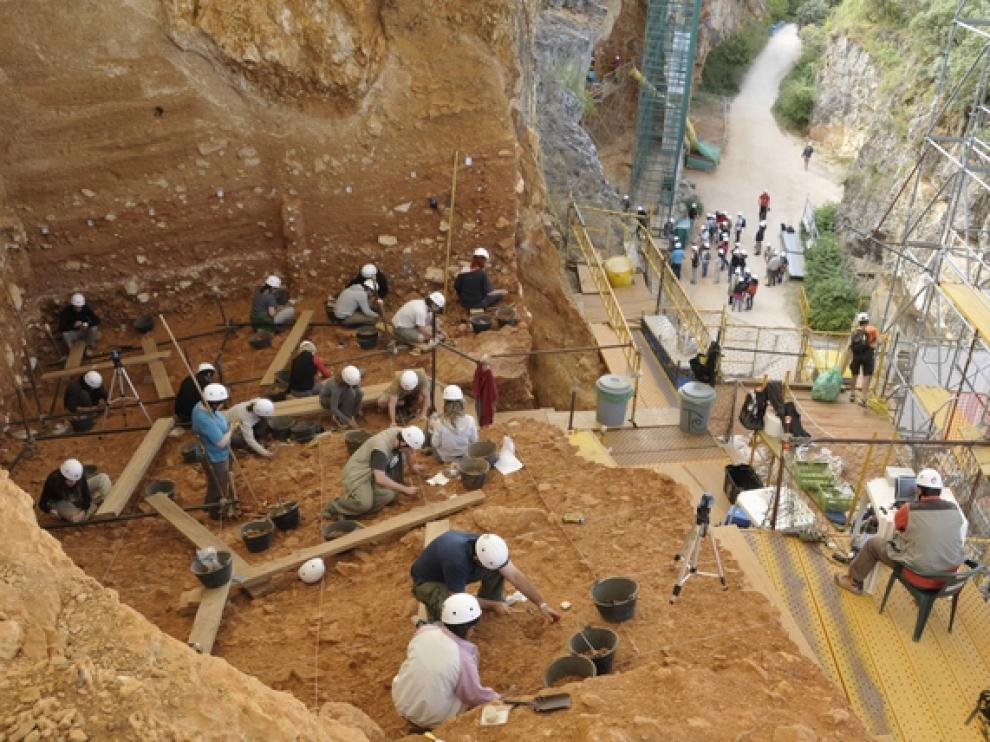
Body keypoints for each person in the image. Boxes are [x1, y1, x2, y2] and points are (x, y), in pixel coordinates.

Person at [835, 468, 966, 595]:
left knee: (872, 544)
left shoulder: (910, 509)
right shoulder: (954, 509)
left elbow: (899, 525)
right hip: (947, 580)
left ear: (919, 491)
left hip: (920, 576)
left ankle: (853, 581)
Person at [392, 593, 498, 730]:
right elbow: (474, 696)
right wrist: (498, 698)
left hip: (401, 702)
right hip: (431, 718)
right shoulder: (464, 658)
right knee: (464, 694)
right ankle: (428, 725)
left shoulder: (424, 632)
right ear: (469, 628)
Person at [410, 531, 562, 624]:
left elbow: (515, 575)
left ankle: (489, 601)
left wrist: (542, 604)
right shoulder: (456, 561)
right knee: (455, 607)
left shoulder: (486, 545)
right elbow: (459, 599)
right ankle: (441, 621)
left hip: (454, 569)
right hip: (428, 582)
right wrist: (494, 605)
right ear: (477, 559)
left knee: (498, 569)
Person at [327, 425, 426, 518]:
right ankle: (335, 506)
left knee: (389, 495)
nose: (411, 452)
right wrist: (405, 489)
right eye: (410, 449)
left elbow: (407, 451)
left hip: (373, 471)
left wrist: (412, 466)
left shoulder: (402, 434)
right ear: (403, 443)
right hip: (357, 473)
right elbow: (380, 478)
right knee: (364, 504)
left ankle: (358, 510)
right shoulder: (381, 449)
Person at [191, 383, 234, 520]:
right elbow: (221, 442)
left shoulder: (201, 405)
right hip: (214, 455)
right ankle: (215, 510)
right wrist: (232, 429)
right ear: (214, 404)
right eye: (221, 403)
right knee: (218, 482)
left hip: (217, 453)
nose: (222, 405)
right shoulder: (205, 419)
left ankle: (212, 503)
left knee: (219, 479)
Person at [39, 458, 113, 523]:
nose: (74, 483)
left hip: (78, 493)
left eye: (76, 480)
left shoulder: (79, 476)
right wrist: (51, 511)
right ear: (63, 477)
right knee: (76, 519)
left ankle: (96, 504)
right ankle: (97, 503)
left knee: (104, 478)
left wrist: (84, 510)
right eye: (70, 481)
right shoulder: (53, 480)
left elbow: (86, 494)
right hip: (61, 500)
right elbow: (42, 503)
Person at [429, 385, 479, 463]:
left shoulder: (440, 422)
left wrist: (434, 426)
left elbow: (435, 444)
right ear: (461, 402)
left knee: (432, 421)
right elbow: (474, 440)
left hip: (445, 458)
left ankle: (425, 448)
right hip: (465, 456)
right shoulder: (470, 420)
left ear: (445, 403)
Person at [849, 312, 880, 406]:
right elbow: (880, 342)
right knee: (867, 375)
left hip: (857, 354)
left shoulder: (855, 331)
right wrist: (874, 341)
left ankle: (852, 394)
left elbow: (852, 344)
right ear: (867, 321)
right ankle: (863, 398)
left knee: (855, 374)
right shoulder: (873, 329)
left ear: (859, 321)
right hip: (868, 354)